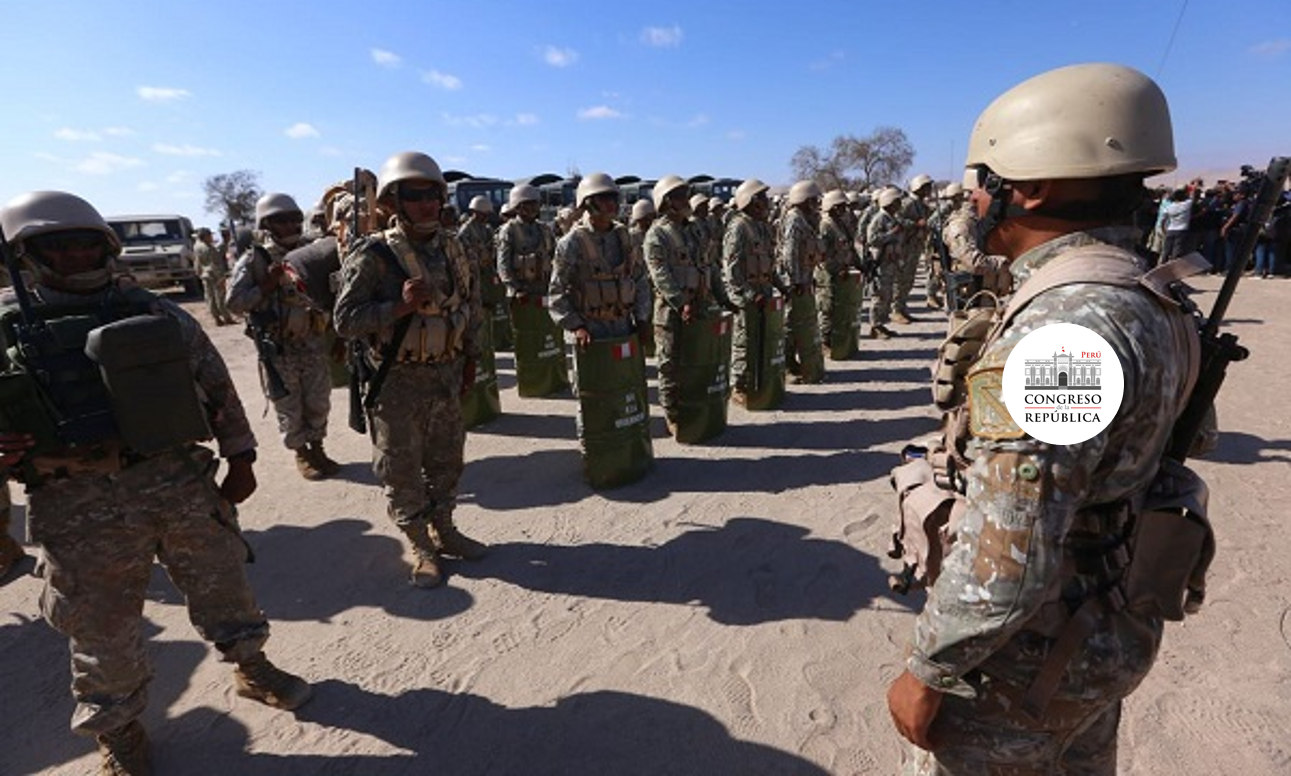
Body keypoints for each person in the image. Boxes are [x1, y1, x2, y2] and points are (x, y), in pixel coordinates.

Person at [886, 63, 1208, 774]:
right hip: (1097, 629)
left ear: (1027, 187)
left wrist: (930, 669)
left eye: (981, 180)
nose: (971, 199)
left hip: (1019, 665)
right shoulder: (1141, 292)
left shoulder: (1062, 333)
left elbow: (1012, 544)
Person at [0, 190, 311, 775]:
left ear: (106, 245)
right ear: (24, 253)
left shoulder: (154, 312)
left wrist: (239, 457)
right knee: (101, 625)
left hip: (176, 480)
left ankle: (251, 666)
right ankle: (117, 728)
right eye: (53, 245)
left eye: (83, 240)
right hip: (74, 501)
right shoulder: (4, 326)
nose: (72, 254)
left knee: (222, 583)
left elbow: (216, 384)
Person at [334, 151, 487, 589]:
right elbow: (345, 321)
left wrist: (472, 358)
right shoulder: (375, 253)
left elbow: (471, 306)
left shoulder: (453, 246)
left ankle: (445, 528)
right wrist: (398, 306)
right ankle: (421, 545)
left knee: (447, 461)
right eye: (414, 195)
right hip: (397, 382)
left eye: (432, 195)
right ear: (394, 202)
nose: (426, 204)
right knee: (401, 470)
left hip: (445, 374)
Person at [548, 173, 654, 486]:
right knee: (592, 397)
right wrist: (576, 326)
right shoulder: (572, 244)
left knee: (627, 389)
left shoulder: (626, 239)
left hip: (622, 327)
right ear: (588, 204)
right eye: (605, 198)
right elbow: (556, 293)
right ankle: (594, 455)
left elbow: (640, 280)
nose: (612, 204)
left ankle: (630, 451)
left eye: (614, 198)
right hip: (590, 335)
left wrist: (643, 319)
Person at [226, 193, 340, 480]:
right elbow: (234, 302)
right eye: (281, 221)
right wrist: (266, 284)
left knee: (318, 399)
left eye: (293, 219)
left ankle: (318, 447)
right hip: (279, 347)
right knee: (289, 403)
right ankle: (301, 453)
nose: (290, 226)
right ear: (267, 224)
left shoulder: (309, 252)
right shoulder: (256, 258)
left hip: (312, 341)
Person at [645, 175, 730, 440]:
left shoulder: (695, 229)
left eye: (686, 193)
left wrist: (723, 298)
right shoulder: (657, 234)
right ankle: (673, 414)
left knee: (699, 360)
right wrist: (681, 303)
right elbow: (661, 275)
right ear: (667, 201)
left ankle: (699, 411)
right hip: (671, 311)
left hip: (701, 305)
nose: (687, 199)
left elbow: (709, 265)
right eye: (680, 195)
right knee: (670, 363)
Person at [497, 183, 568, 396]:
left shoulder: (545, 229)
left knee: (551, 338)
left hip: (545, 292)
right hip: (523, 296)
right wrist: (514, 289)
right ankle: (532, 383)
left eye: (535, 204)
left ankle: (554, 379)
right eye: (527, 204)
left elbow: (556, 260)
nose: (532, 208)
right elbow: (503, 264)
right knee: (528, 340)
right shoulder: (509, 230)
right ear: (517, 207)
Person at [722, 178, 784, 409]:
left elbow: (770, 263)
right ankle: (739, 387)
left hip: (764, 294)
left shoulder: (762, 227)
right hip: (747, 297)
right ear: (750, 201)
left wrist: (780, 286)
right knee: (743, 342)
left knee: (763, 341)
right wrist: (749, 295)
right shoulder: (738, 227)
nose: (766, 203)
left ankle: (760, 384)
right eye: (761, 198)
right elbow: (732, 271)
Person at [778, 180, 826, 383]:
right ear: (804, 200)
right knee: (789, 325)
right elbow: (790, 254)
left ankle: (795, 362)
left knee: (799, 323)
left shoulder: (805, 219)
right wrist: (795, 282)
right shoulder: (794, 220)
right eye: (813, 199)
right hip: (795, 280)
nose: (816, 203)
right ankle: (787, 366)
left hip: (804, 277)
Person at [815, 189, 863, 359]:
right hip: (828, 274)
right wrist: (838, 267)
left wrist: (858, 264)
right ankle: (825, 342)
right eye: (841, 206)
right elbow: (823, 256)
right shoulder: (825, 226)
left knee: (840, 307)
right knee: (827, 308)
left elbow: (849, 247)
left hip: (842, 273)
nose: (845, 209)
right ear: (833, 207)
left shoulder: (841, 224)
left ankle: (837, 341)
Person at [892, 174, 933, 323]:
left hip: (915, 246)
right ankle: (895, 310)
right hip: (905, 247)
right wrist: (915, 224)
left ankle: (902, 307)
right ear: (919, 188)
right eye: (926, 187)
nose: (929, 190)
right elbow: (897, 219)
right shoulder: (907, 203)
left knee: (909, 280)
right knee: (901, 279)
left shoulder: (921, 205)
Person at [865, 187, 905, 339]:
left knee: (887, 294)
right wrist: (891, 234)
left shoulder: (891, 218)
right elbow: (872, 239)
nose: (900, 204)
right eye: (897, 201)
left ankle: (881, 324)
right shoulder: (879, 219)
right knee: (879, 295)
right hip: (881, 263)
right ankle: (875, 326)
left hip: (891, 262)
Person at [192, 226, 235, 325]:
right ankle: (226, 317)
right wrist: (221, 278)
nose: (211, 237)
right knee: (220, 297)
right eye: (210, 235)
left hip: (205, 275)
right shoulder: (208, 248)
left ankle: (217, 319)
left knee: (210, 298)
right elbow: (215, 264)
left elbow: (197, 262)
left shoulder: (197, 246)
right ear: (206, 236)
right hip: (214, 275)